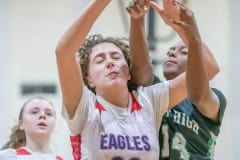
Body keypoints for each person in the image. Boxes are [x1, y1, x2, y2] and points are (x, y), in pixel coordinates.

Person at [54, 0, 209, 159]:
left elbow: (208, 68)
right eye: (100, 60)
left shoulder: (148, 100)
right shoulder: (85, 107)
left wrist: (182, 28)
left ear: (128, 72)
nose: (110, 62)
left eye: (115, 56)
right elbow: (63, 52)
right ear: (89, 80)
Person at [126, 0, 226, 159]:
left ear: (196, 60)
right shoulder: (155, 90)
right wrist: (137, 18)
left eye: (183, 52)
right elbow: (141, 71)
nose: (171, 54)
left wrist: (179, 26)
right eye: (170, 51)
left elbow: (206, 76)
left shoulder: (214, 97)